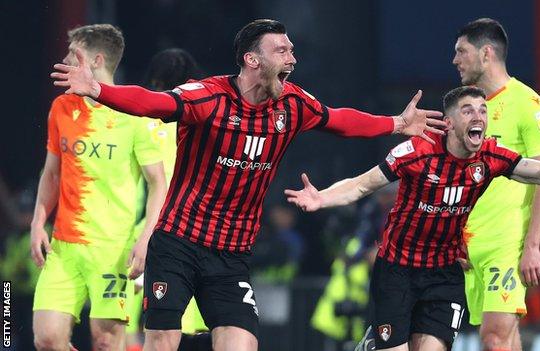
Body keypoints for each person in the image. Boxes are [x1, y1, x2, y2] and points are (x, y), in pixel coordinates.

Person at [50, 19, 447, 351]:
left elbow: (339, 119)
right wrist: (99, 89)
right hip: (178, 243)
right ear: (251, 59)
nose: (292, 58)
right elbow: (154, 102)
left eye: (292, 50)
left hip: (231, 256)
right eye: (282, 51)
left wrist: (395, 124)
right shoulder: (209, 97)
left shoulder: (293, 104)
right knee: (162, 339)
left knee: (243, 345)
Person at [285, 86, 540, 351]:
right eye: (468, 110)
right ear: (449, 123)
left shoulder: (490, 157)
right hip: (398, 271)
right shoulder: (416, 152)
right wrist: (321, 197)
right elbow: (361, 185)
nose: (479, 116)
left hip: (444, 275)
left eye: (483, 110)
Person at [31, 24, 167, 350]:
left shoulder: (134, 114)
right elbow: (51, 174)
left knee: (106, 342)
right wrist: (37, 221)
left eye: (71, 54)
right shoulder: (62, 108)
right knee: (47, 338)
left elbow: (158, 184)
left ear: (95, 61)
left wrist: (146, 238)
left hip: (113, 252)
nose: (63, 60)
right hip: (64, 248)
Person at [451, 18, 540, 350]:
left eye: (461, 52)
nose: (455, 60)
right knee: (505, 340)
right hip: (472, 247)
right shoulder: (472, 111)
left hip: (506, 244)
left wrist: (532, 246)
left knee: (494, 337)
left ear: (486, 54)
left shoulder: (528, 106)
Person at [125, 48, 208, 351]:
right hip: (197, 234)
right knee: (190, 328)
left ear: (154, 79)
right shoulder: (202, 124)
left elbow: (138, 185)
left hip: (150, 230)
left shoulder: (142, 121)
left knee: (133, 322)